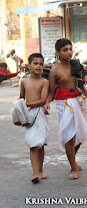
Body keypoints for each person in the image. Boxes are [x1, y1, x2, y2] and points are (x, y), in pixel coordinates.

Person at [45, 38, 87, 180]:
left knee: (79, 134)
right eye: (65, 50)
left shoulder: (76, 65)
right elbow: (50, 91)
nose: (69, 52)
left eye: (70, 49)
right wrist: (47, 103)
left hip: (78, 101)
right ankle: (73, 167)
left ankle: (73, 160)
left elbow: (82, 86)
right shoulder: (55, 71)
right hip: (63, 104)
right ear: (58, 52)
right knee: (69, 136)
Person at [16, 53, 50, 183]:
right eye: (35, 63)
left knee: (40, 144)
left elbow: (42, 100)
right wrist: (19, 113)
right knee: (32, 144)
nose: (39, 66)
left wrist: (28, 104)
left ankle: (40, 170)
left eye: (41, 64)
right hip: (28, 115)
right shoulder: (24, 81)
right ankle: (35, 173)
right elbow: (21, 98)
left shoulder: (44, 82)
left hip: (39, 114)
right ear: (29, 66)